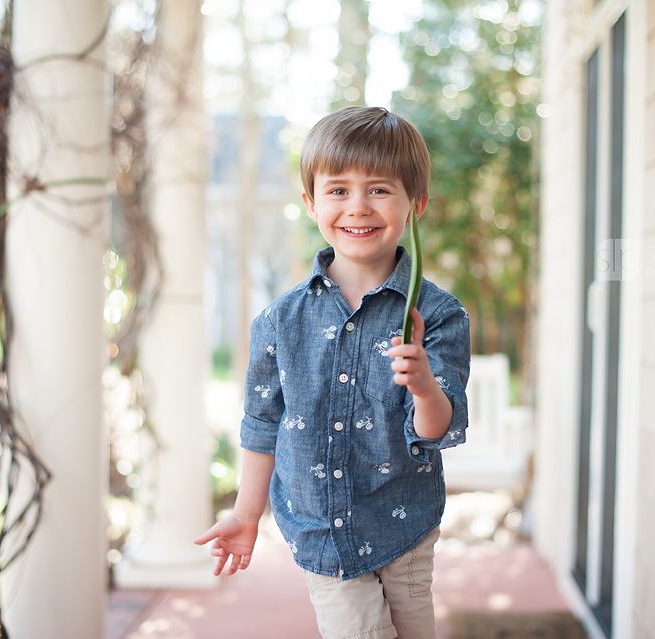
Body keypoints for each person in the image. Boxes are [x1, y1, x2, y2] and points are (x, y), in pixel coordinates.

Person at [194, 106, 470, 639]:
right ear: (311, 203)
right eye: (338, 190)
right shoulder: (279, 320)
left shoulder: (437, 314)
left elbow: (438, 429)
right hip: (324, 533)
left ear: (417, 204)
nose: (358, 207)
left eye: (380, 190)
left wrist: (424, 385)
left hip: (406, 526)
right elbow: (262, 424)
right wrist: (246, 514)